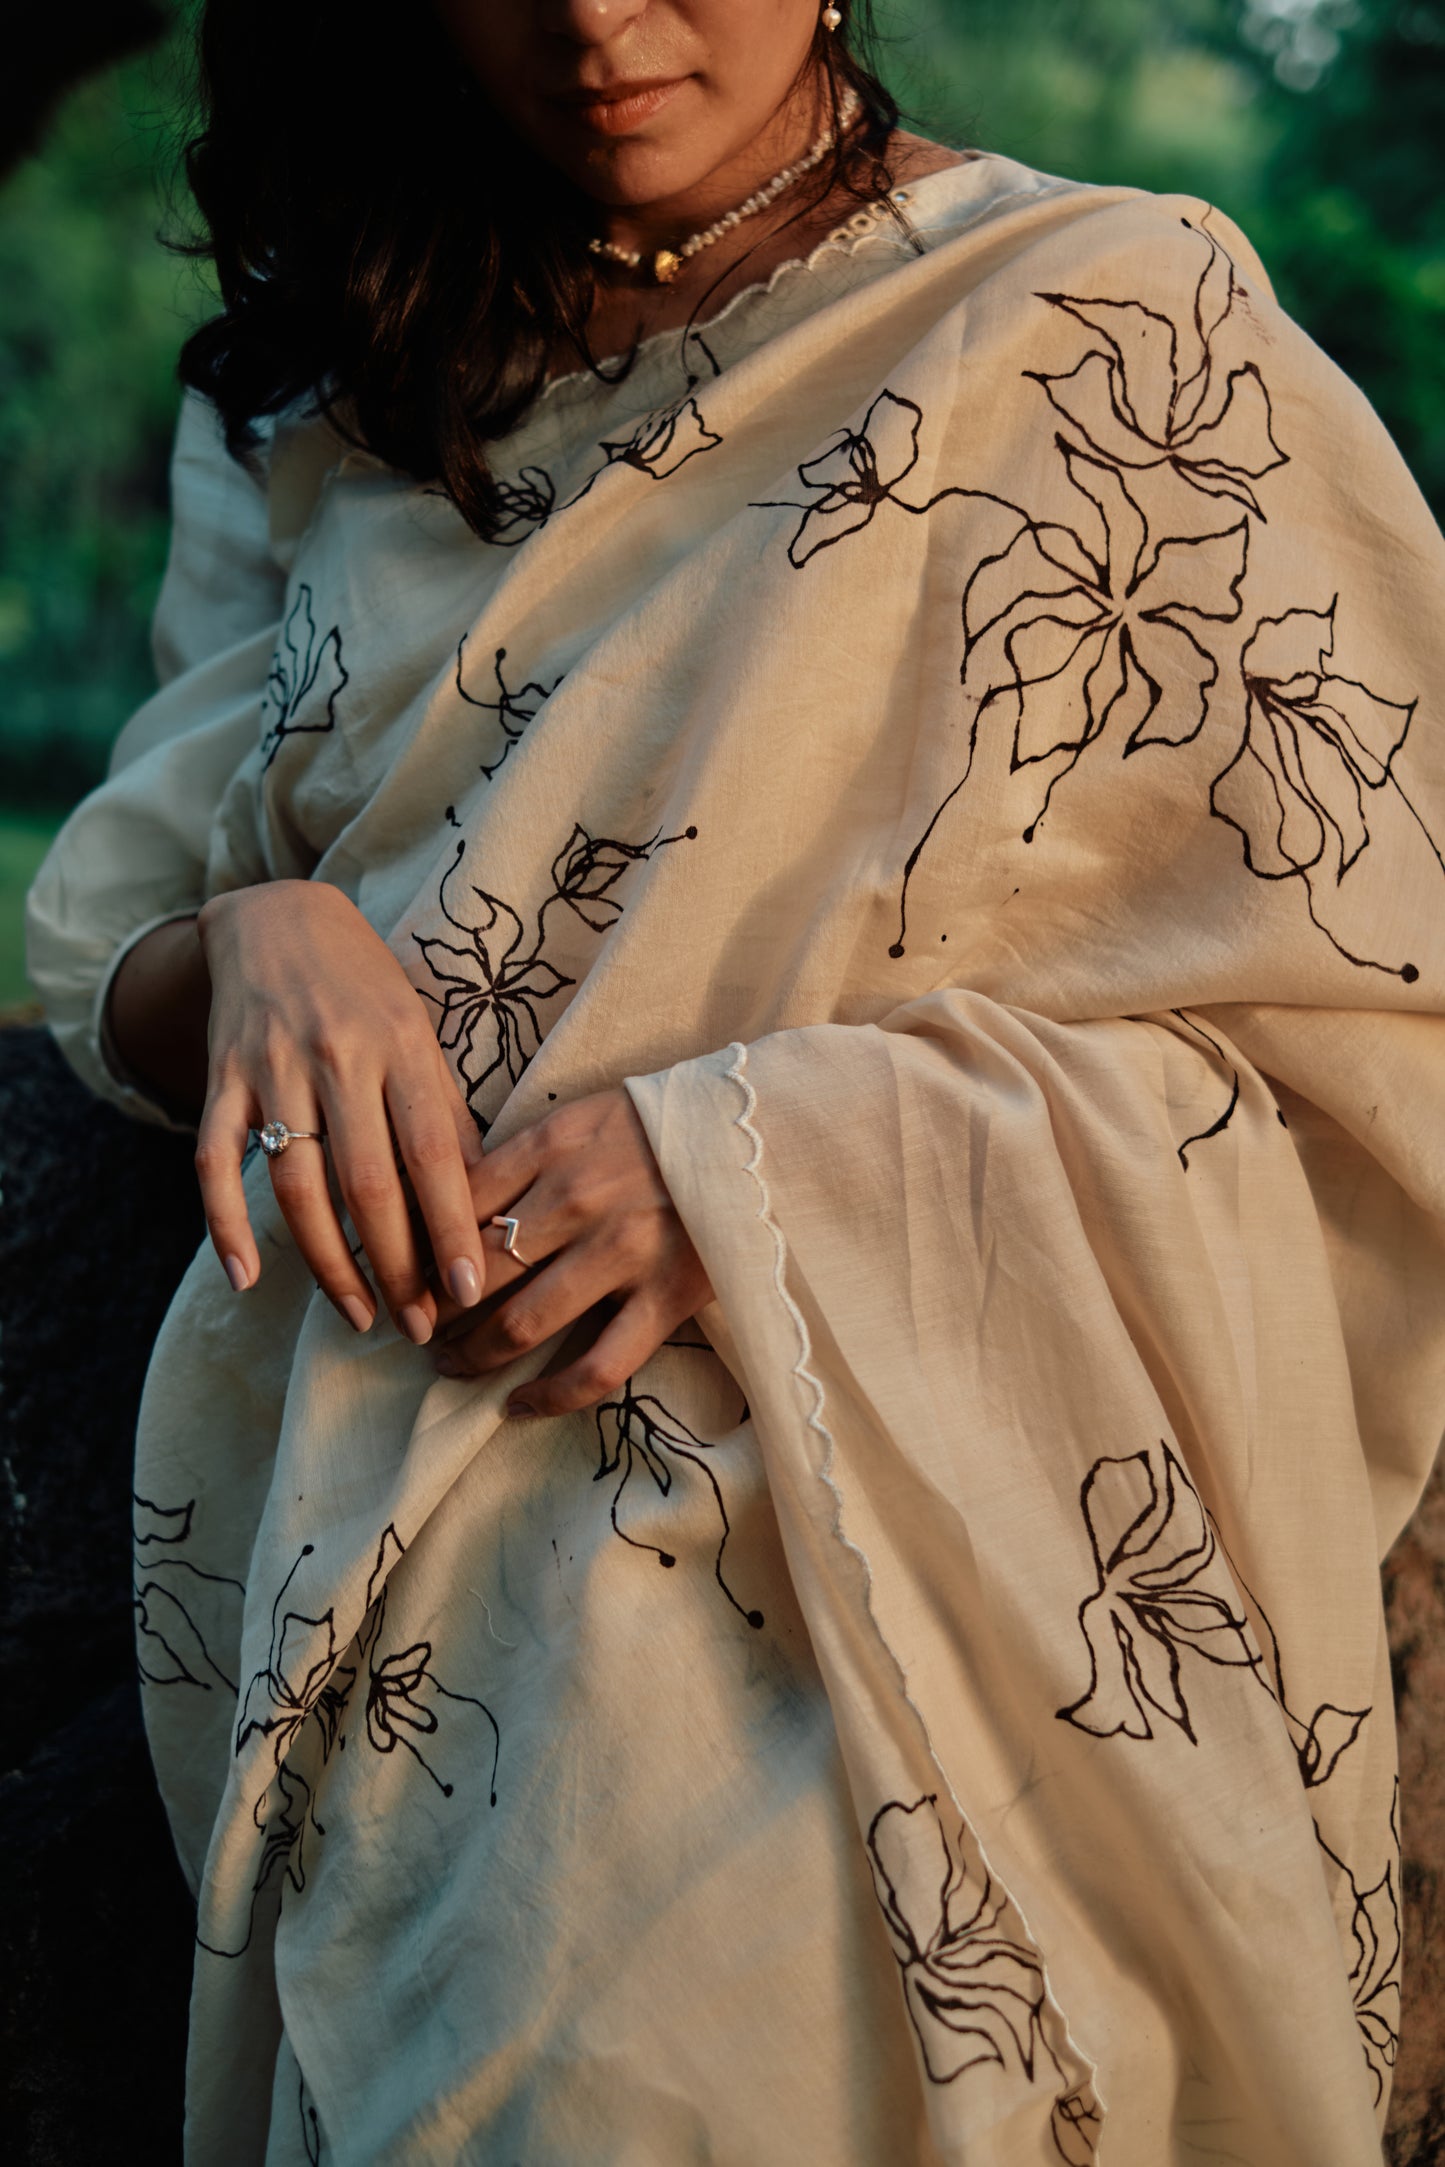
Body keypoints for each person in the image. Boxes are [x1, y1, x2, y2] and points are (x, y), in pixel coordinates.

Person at [25, 1, 1445, 2160]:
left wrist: (758, 1167)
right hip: (392, 1624)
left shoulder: (1111, 328)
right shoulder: (360, 401)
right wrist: (255, 946)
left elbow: (1380, 1033)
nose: (598, 20)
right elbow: (104, 917)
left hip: (894, 1646)